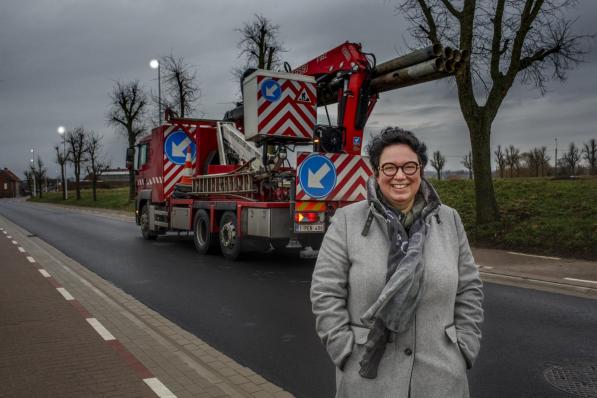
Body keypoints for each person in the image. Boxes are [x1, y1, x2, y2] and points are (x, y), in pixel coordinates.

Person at [310, 127, 484, 398]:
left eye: (409, 167)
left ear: (421, 170)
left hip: (441, 378)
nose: (400, 176)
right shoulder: (347, 221)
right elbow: (325, 292)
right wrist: (344, 350)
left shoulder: (449, 220)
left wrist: (465, 348)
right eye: (389, 168)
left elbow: (469, 289)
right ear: (376, 173)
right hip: (367, 378)